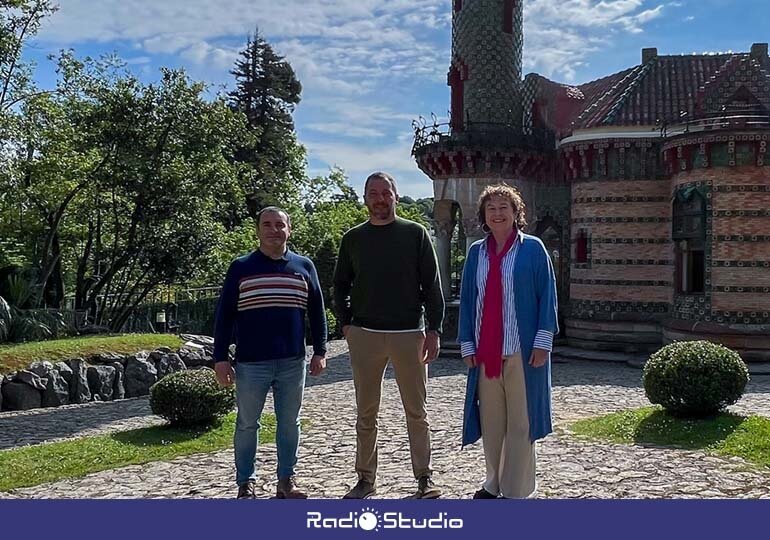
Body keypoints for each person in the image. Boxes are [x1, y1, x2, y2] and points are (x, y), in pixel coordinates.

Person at [333, 171, 445, 499]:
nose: (380, 198)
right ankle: (365, 478)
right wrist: (347, 325)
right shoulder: (353, 238)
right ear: (365, 197)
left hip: (409, 334)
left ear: (396, 195)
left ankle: (424, 477)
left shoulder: (415, 234)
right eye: (373, 193)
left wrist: (434, 329)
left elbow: (432, 286)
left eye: (386, 192)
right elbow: (340, 284)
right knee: (366, 413)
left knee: (417, 411)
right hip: (365, 334)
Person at [213, 206, 327, 499]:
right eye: (268, 224)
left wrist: (321, 350)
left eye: (280, 225)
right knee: (248, 423)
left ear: (289, 230)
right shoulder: (241, 267)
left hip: (292, 361)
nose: (274, 230)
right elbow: (224, 315)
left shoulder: (304, 266)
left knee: (290, 423)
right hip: (252, 363)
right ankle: (245, 483)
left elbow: (317, 312)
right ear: (258, 230)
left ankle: (286, 481)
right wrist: (220, 358)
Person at [457, 184, 558, 499]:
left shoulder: (533, 249)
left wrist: (543, 340)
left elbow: (547, 295)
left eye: (504, 207)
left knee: (520, 423)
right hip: (487, 353)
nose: (497, 213)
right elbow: (469, 299)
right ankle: (492, 483)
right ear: (484, 217)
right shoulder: (476, 253)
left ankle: (516, 489)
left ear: (516, 213)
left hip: (522, 351)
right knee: (493, 423)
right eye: (491, 208)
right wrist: (466, 344)